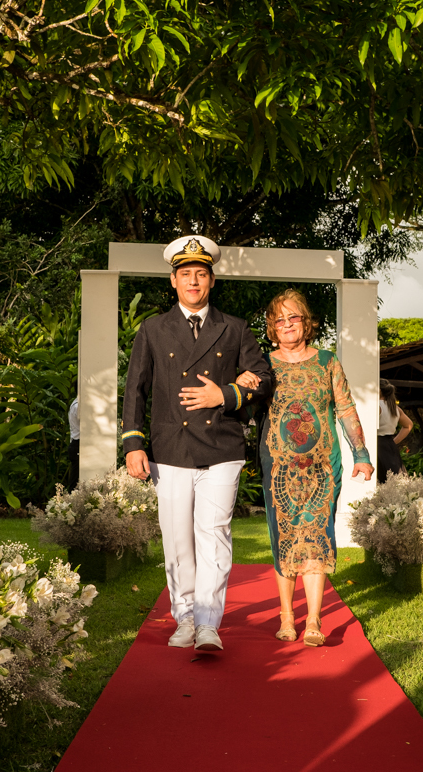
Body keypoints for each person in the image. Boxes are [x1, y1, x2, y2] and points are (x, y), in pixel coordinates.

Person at [122, 236, 273, 652]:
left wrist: (223, 395)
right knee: (177, 537)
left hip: (221, 447)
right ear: (173, 281)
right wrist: (134, 444)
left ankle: (208, 623)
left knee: (214, 534)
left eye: (201, 274)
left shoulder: (234, 327)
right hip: (170, 448)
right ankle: (184, 617)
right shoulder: (153, 328)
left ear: (211, 281)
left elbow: (262, 377)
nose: (193, 281)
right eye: (186, 274)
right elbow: (135, 388)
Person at [234, 290, 371, 647]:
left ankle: (312, 620)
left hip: (323, 466)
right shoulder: (263, 365)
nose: (286, 325)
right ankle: (285, 617)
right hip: (278, 467)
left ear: (306, 322)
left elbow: (344, 408)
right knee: (284, 537)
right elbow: (245, 414)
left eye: (293, 317)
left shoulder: (328, 362)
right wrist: (242, 388)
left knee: (316, 535)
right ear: (271, 328)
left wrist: (361, 453)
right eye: (278, 320)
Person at [376, 380, 412, 482]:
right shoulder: (395, 408)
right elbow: (408, 425)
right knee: (393, 478)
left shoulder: (376, 406)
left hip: (377, 443)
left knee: (380, 478)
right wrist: (394, 441)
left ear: (379, 390)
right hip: (389, 445)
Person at [67, 397, 81, 490]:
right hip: (77, 444)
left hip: (76, 443)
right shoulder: (78, 406)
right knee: (75, 481)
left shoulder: (75, 404)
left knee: (76, 478)